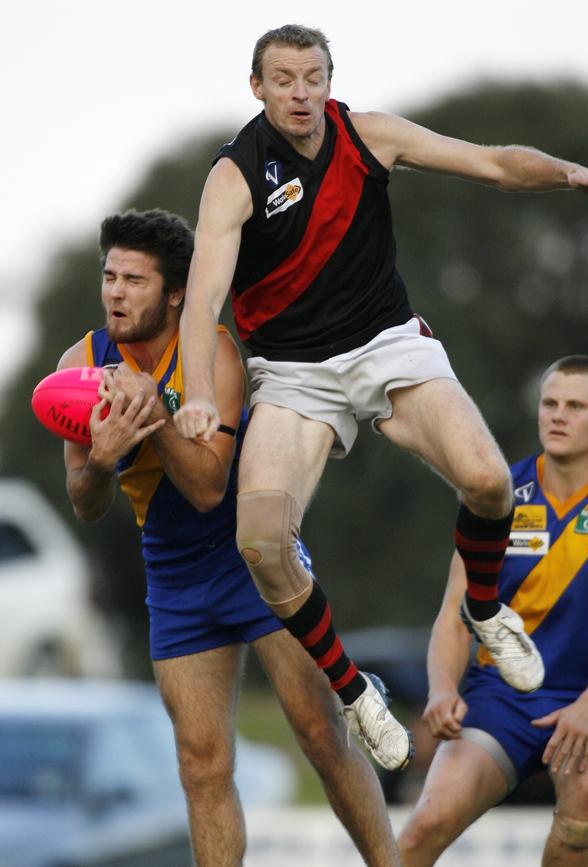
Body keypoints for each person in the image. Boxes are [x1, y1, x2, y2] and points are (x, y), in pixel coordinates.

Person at [173, 23, 588, 771]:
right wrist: (198, 396)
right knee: (260, 541)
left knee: (489, 483)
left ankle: (483, 610)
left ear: (330, 79)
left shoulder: (370, 135)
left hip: (388, 344)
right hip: (293, 371)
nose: (301, 92)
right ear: (256, 87)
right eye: (284, 79)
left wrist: (566, 171)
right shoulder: (234, 176)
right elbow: (202, 303)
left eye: (313, 76)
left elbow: (488, 163)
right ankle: (357, 692)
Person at [58, 209, 403, 867]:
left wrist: (155, 417)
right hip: (174, 576)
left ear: (177, 291)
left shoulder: (213, 351)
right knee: (200, 762)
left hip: (253, 559)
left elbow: (210, 487)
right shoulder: (82, 363)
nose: (116, 293)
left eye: (135, 280)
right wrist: (100, 461)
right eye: (110, 276)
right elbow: (85, 502)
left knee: (319, 733)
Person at [398, 355, 588, 867]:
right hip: (501, 698)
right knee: (426, 822)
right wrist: (443, 689)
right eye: (549, 403)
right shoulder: (496, 492)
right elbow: (454, 615)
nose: (557, 415)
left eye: (575, 406)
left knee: (587, 799)